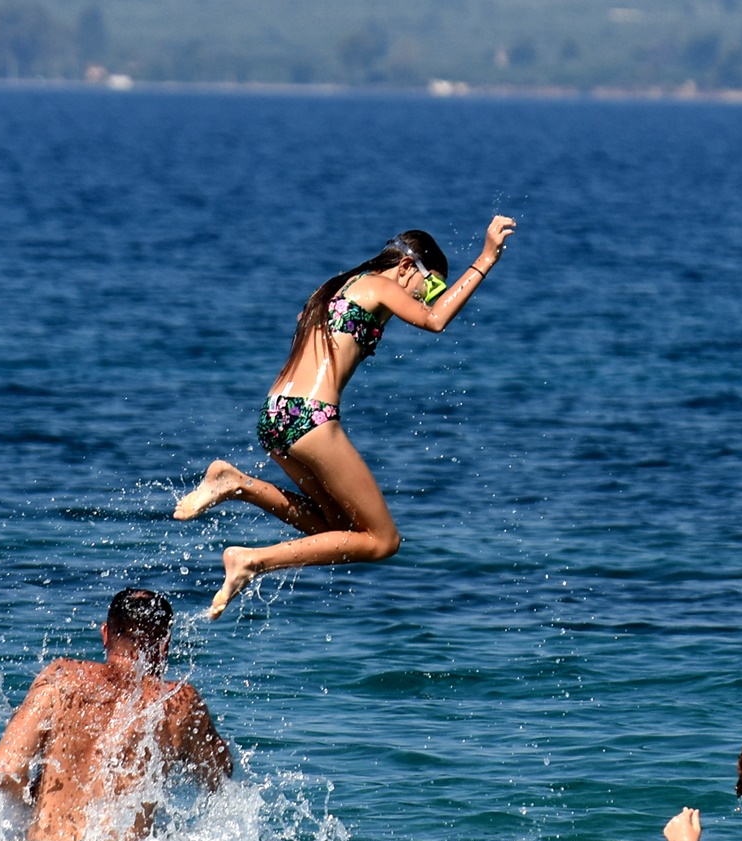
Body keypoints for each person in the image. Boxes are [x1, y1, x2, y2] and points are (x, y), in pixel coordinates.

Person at [174, 216, 518, 618]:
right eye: (433, 286)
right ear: (407, 267)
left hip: (276, 416)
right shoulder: (381, 284)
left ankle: (237, 483)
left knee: (332, 531)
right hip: (312, 417)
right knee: (383, 540)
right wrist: (486, 258)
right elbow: (435, 320)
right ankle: (252, 561)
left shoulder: (335, 289)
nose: (428, 297)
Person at [0, 588, 232, 841]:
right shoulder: (179, 702)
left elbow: (5, 772)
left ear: (105, 634)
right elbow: (219, 778)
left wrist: (30, 810)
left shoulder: (60, 678)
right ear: (165, 644)